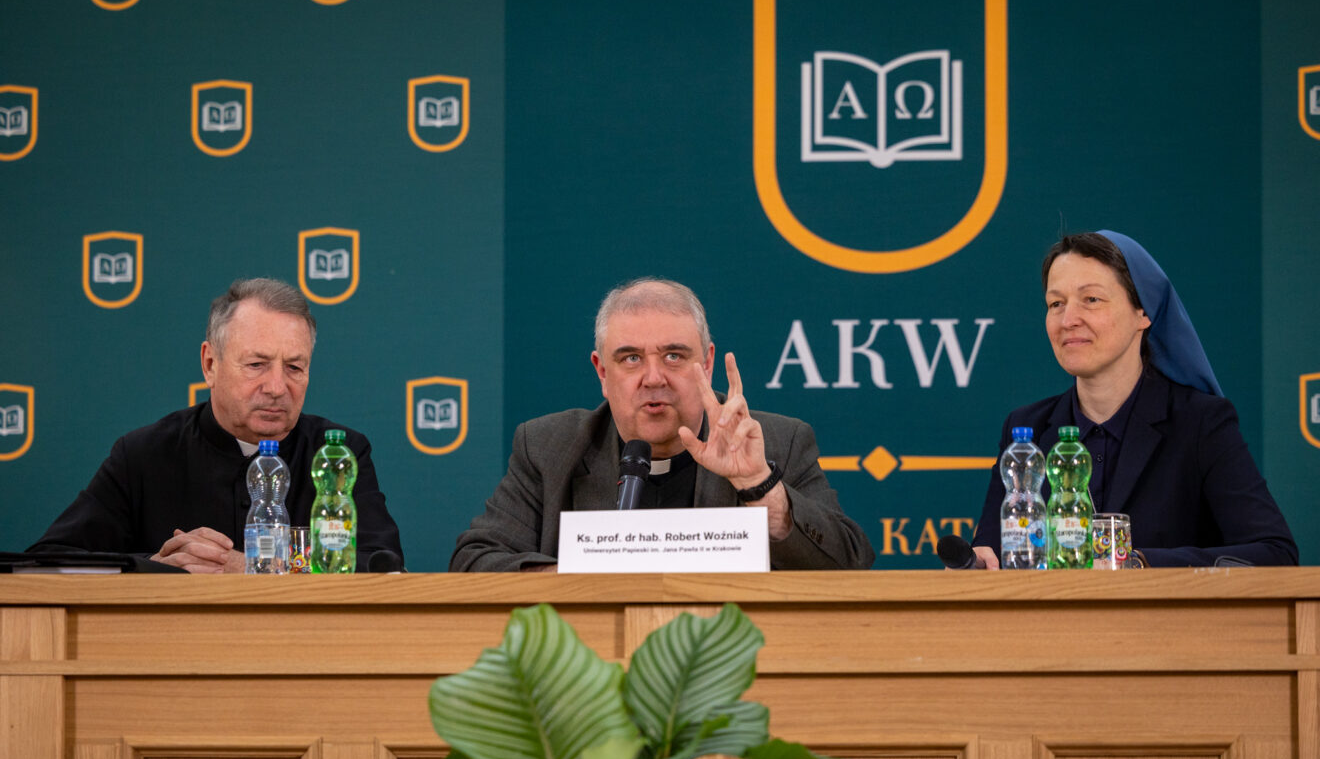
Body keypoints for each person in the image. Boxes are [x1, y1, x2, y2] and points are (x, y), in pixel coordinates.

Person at [450, 277, 874, 571]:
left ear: (706, 364)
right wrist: (578, 579)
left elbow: (851, 565)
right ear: (602, 372)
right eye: (631, 358)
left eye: (674, 356)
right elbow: (474, 561)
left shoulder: (775, 442)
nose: (654, 378)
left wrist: (759, 486)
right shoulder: (549, 447)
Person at [30, 278, 403, 572]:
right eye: (256, 365)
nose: (277, 388)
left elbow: (384, 567)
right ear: (210, 364)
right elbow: (45, 563)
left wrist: (251, 567)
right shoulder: (143, 454)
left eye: (294, 367)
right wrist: (155, 569)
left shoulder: (338, 454)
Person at [971, 231, 1296, 568]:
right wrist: (976, 565)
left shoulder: (1200, 423)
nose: (1068, 320)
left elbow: (1276, 554)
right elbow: (991, 556)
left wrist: (1138, 564)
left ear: (1143, 312)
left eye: (1091, 299)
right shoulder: (1027, 430)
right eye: (1056, 304)